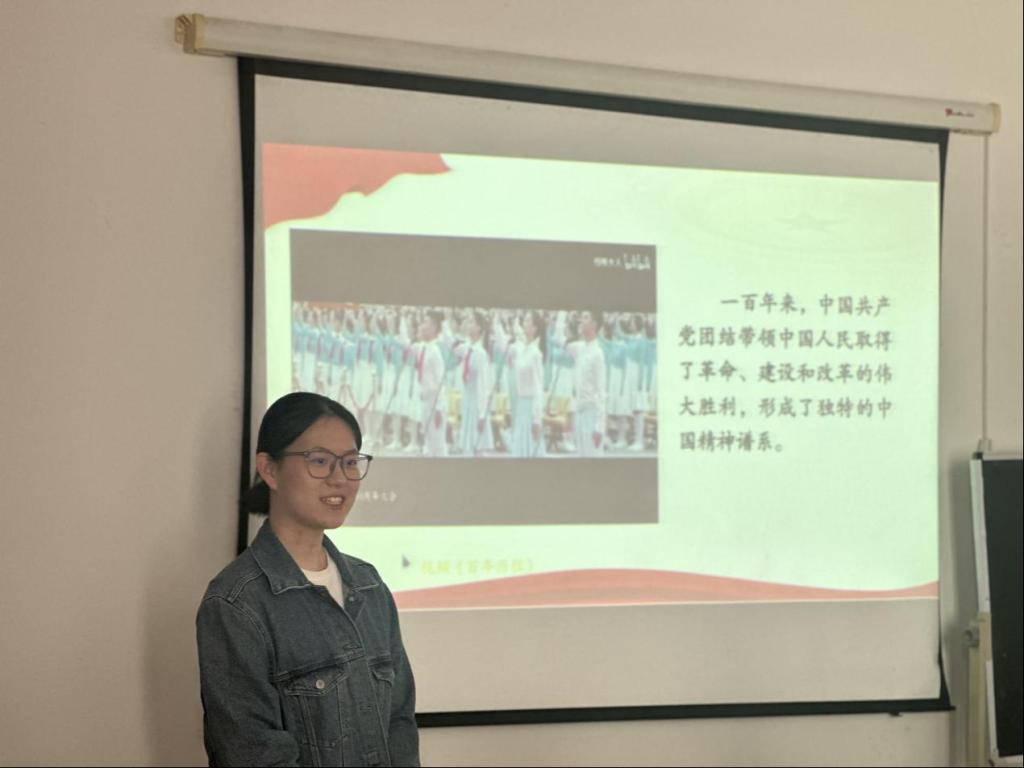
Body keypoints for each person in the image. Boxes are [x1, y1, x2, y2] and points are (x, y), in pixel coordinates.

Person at [196, 392, 419, 767]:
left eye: (350, 462)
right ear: (269, 470)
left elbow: (399, 723)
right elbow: (252, 753)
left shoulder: (368, 584)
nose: (339, 479)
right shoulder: (236, 603)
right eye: (319, 461)